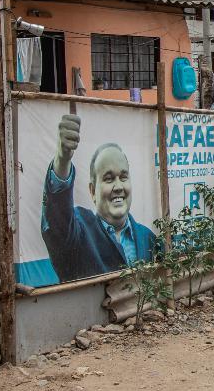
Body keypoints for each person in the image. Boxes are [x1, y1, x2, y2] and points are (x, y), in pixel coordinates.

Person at [41, 113, 159, 282]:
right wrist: (62, 159)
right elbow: (57, 223)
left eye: (123, 177)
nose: (118, 187)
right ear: (92, 190)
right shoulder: (78, 234)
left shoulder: (148, 238)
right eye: (108, 179)